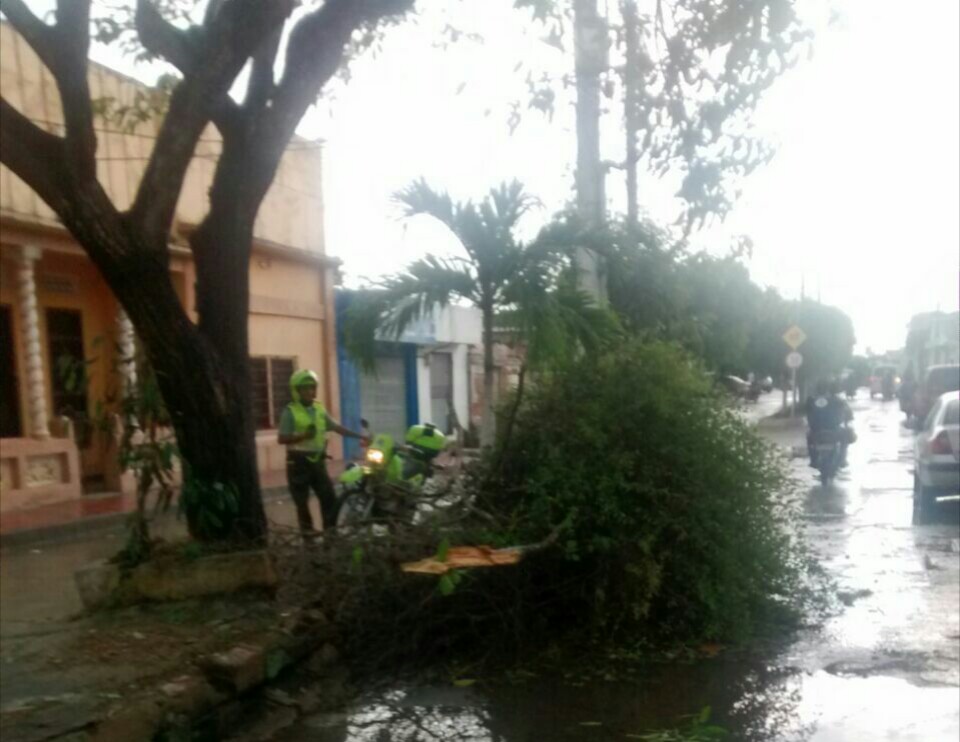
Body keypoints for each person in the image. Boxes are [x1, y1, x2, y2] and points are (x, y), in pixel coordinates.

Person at [278, 369, 368, 537]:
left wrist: (360, 436)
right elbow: (281, 438)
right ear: (296, 391)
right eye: (305, 388)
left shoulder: (319, 409)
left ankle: (330, 534)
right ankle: (308, 538)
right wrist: (302, 436)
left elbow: (336, 427)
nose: (310, 392)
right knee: (302, 503)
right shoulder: (289, 412)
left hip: (318, 463)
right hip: (298, 463)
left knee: (329, 498)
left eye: (312, 388)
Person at [805, 380, 850, 467]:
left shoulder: (811, 400)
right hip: (834, 429)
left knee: (809, 438)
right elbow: (847, 412)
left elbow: (806, 412)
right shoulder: (838, 400)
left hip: (816, 430)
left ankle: (813, 460)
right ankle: (842, 459)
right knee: (845, 437)